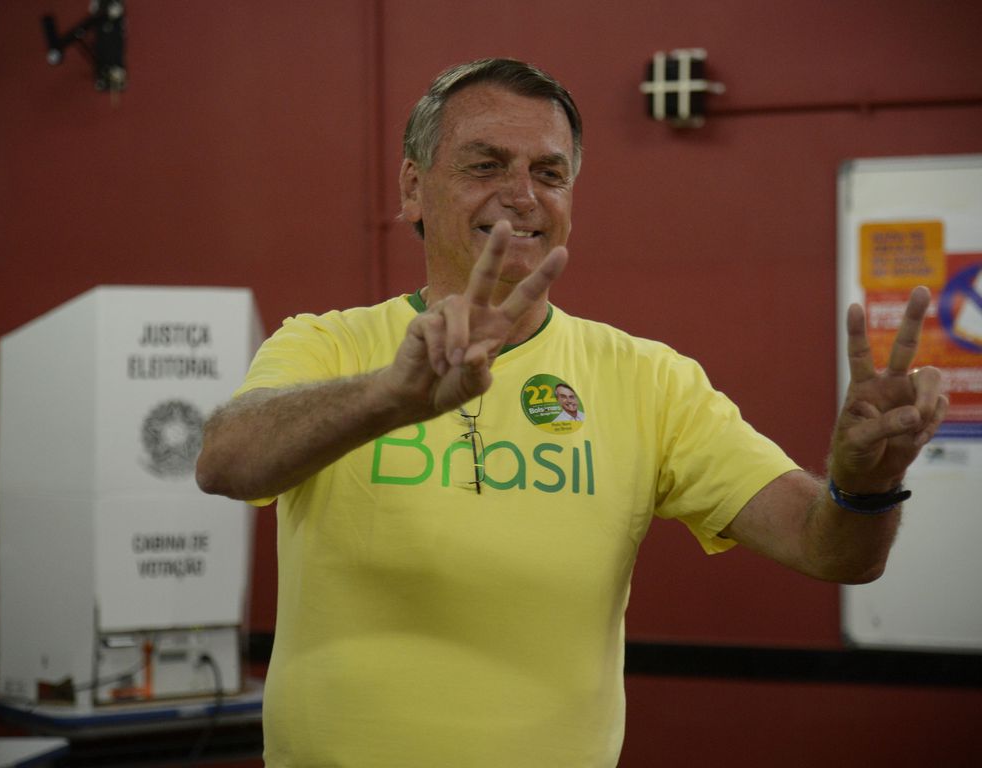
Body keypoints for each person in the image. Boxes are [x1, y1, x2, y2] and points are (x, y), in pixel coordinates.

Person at [196, 58, 947, 768]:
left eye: (548, 173)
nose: (522, 194)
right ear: (414, 189)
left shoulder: (649, 380)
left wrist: (865, 486)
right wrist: (385, 397)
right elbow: (225, 459)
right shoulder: (327, 344)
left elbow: (832, 551)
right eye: (486, 164)